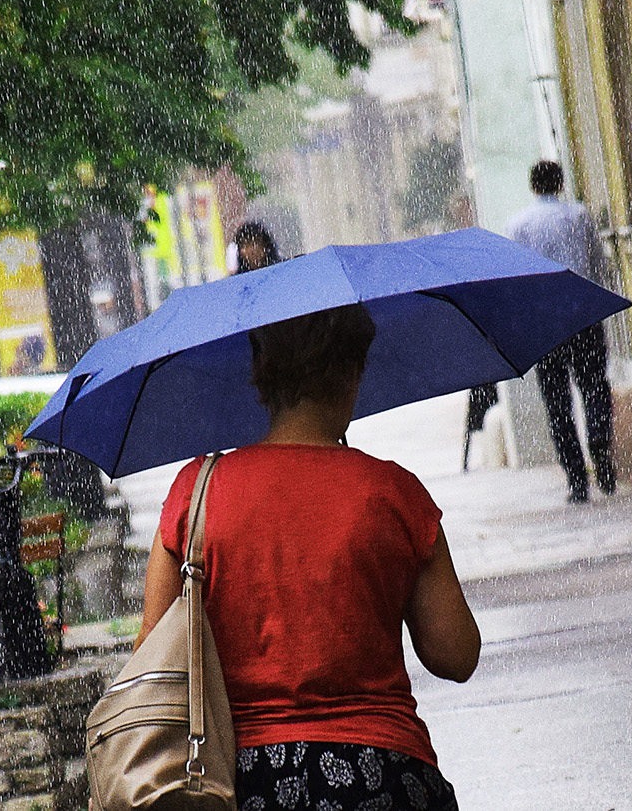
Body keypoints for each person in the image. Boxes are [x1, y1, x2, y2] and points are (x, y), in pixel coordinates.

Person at [136, 303, 481, 811]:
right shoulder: (394, 494)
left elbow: (154, 663)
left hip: (236, 782)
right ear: (352, 371)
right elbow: (456, 655)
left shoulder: (197, 494)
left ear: (258, 373)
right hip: (383, 775)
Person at [505, 159, 617, 504]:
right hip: (582, 314)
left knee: (557, 404)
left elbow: (515, 279)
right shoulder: (579, 215)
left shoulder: (518, 225)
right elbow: (598, 262)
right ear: (560, 183)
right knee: (594, 387)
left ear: (533, 186)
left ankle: (576, 479)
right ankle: (600, 446)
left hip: (545, 324)